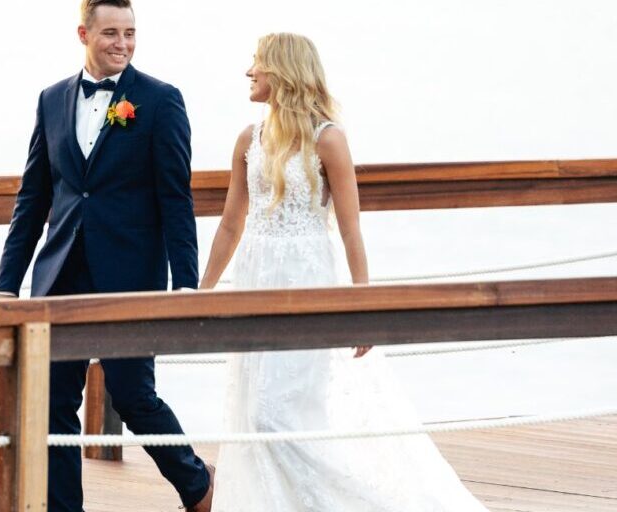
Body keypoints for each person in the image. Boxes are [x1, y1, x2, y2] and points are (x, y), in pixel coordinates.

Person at [199, 33, 488, 511]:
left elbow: (351, 230)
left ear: (285, 71)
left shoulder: (327, 139)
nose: (249, 72)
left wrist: (363, 306)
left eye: (258, 64)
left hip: (308, 285)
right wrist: (204, 292)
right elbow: (232, 222)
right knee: (252, 416)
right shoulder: (248, 140)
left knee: (280, 416)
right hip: (254, 283)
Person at [0, 1, 213, 510]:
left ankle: (198, 487)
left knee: (134, 396)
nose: (123, 43)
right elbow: (34, 198)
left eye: (131, 33)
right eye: (111, 32)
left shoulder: (160, 101)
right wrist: (8, 281)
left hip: (129, 276)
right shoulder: (51, 100)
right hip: (60, 275)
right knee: (51, 406)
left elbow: (175, 198)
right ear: (83, 34)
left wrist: (186, 283)